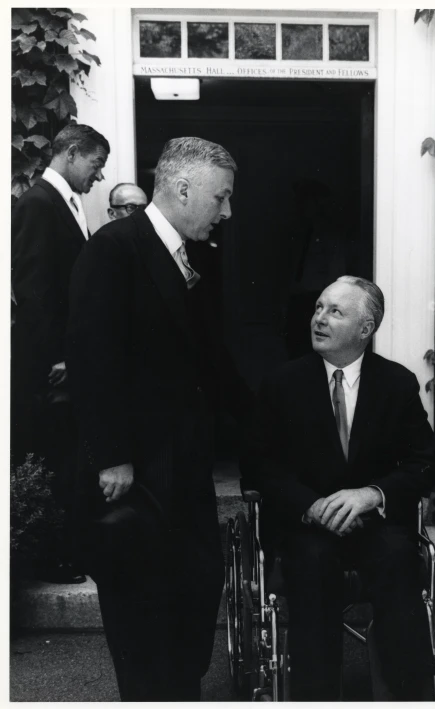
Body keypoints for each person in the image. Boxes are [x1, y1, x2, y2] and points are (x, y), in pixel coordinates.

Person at [67, 136, 250, 701]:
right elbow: (91, 357)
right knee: (140, 597)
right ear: (183, 187)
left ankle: (181, 688)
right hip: (136, 468)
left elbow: (210, 358)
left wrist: (267, 422)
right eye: (220, 198)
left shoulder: (200, 257)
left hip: (188, 462)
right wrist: (113, 455)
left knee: (197, 584)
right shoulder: (114, 248)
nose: (227, 211)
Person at [245, 275, 435, 701]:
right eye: (318, 308)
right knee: (313, 563)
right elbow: (258, 467)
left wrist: (371, 495)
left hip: (378, 525)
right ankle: (315, 697)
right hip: (308, 527)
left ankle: (409, 694)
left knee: (396, 557)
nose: (319, 318)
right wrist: (311, 506)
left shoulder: (397, 384)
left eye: (335, 311)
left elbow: (424, 463)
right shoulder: (282, 384)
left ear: (366, 329)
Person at [11, 123, 110, 584]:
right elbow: (33, 291)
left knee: (70, 459)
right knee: (54, 460)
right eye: (96, 164)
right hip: (51, 368)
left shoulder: (64, 203)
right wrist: (58, 357)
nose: (99, 176)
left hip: (69, 362)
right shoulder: (37, 203)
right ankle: (54, 559)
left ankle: (71, 552)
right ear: (71, 154)